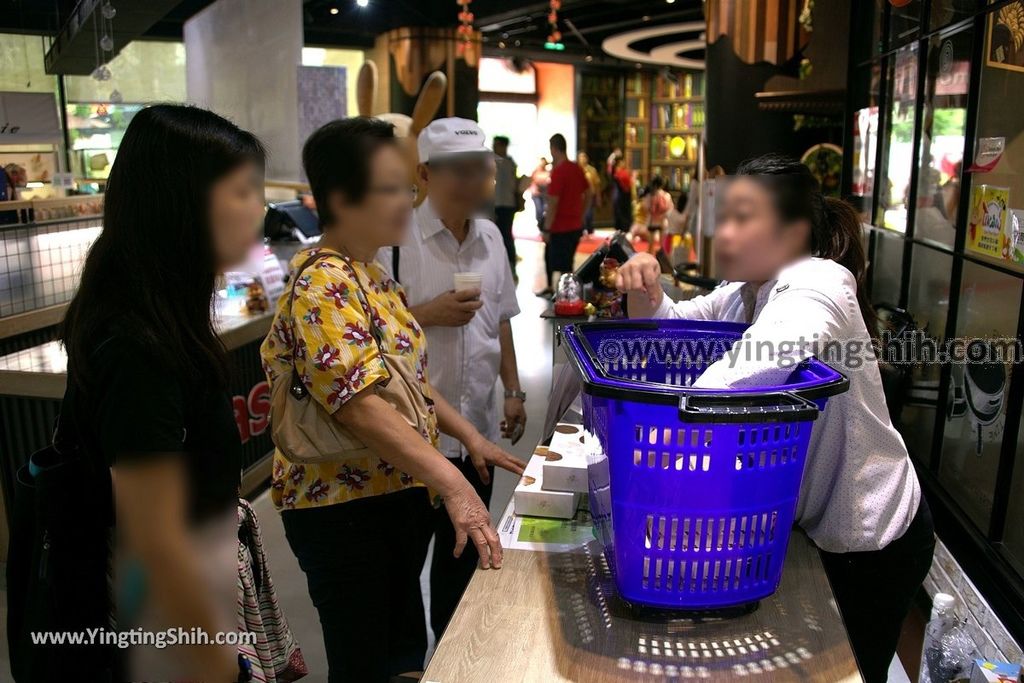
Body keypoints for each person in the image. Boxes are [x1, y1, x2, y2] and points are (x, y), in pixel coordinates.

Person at [616, 154, 933, 683]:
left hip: (873, 534)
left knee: (852, 670)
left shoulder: (820, 282)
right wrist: (644, 288)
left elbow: (748, 369)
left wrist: (656, 448)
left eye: (744, 218)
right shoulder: (744, 295)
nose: (724, 232)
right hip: (808, 522)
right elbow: (671, 328)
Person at [261, 117, 526, 683]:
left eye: (407, 186)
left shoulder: (375, 275)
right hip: (340, 508)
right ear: (340, 198)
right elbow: (359, 404)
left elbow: (406, 380)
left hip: (392, 494)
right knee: (365, 660)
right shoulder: (319, 283)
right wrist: (452, 482)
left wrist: (469, 436)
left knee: (401, 653)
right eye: (392, 188)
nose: (409, 201)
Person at [58, 105, 267, 682]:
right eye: (242, 192)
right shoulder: (137, 344)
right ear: (182, 204)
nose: (261, 208)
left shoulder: (158, 311)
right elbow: (154, 540)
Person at [377, 117, 526, 640]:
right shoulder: (395, 241)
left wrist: (512, 390)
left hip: (478, 431)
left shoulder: (490, 237)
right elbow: (372, 338)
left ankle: (455, 659)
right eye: (453, 170)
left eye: (478, 167)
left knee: (463, 568)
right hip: (413, 438)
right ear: (423, 173)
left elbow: (501, 320)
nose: (470, 180)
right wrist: (427, 313)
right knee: (400, 571)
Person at [537, 133, 592, 297]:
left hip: (560, 226)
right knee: (566, 261)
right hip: (575, 224)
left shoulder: (559, 172)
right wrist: (582, 213)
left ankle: (565, 296)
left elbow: (553, 203)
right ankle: (560, 292)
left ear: (553, 149)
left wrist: (546, 228)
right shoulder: (576, 168)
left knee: (559, 263)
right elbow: (589, 192)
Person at [491, 135, 520, 272]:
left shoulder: (510, 163)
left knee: (506, 234)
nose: (494, 147)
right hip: (495, 204)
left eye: (497, 144)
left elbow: (514, 184)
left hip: (507, 204)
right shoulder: (490, 161)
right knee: (493, 234)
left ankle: (510, 264)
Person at [630, 175, 672, 253]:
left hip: (652, 221)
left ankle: (651, 258)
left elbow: (646, 207)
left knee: (651, 246)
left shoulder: (650, 195)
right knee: (662, 245)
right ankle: (662, 260)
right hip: (663, 221)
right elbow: (670, 209)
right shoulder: (666, 195)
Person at [578, 151, 602, 234]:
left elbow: (597, 184)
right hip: (579, 196)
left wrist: (598, 197)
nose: (583, 159)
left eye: (584, 157)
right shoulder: (577, 169)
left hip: (590, 195)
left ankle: (589, 229)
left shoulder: (592, 170)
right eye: (581, 157)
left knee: (589, 214)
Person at [610, 153, 633, 232]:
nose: (624, 163)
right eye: (623, 161)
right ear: (619, 163)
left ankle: (620, 229)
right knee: (623, 213)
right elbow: (627, 185)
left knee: (620, 213)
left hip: (619, 195)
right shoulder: (621, 173)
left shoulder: (617, 172)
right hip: (623, 196)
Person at [529, 156, 550, 229]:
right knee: (539, 210)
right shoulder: (536, 171)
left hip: (544, 194)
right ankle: (540, 224)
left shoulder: (547, 172)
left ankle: (542, 225)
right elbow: (535, 180)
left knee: (544, 210)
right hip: (536, 193)